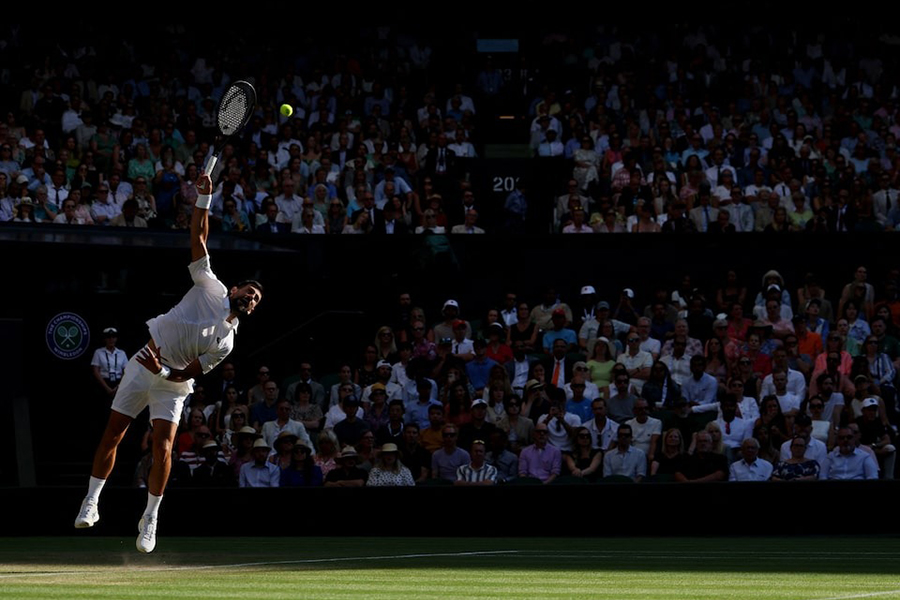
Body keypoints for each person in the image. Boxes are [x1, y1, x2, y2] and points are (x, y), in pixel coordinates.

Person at [74, 173, 263, 554]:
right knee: (113, 433)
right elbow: (198, 237)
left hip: (170, 382)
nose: (252, 297)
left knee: (163, 449)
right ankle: (91, 500)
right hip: (143, 363)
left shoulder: (227, 342)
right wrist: (204, 199)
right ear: (236, 289)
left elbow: (187, 373)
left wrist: (163, 371)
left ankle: (150, 518)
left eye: (257, 299)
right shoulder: (210, 284)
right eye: (250, 291)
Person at [90, 327, 128, 401]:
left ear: (116, 339)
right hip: (103, 383)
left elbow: (126, 371)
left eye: (113, 337)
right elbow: (96, 371)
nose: (111, 339)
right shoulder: (98, 352)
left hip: (118, 383)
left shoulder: (122, 353)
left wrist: (118, 387)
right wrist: (107, 388)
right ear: (105, 339)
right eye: (108, 337)